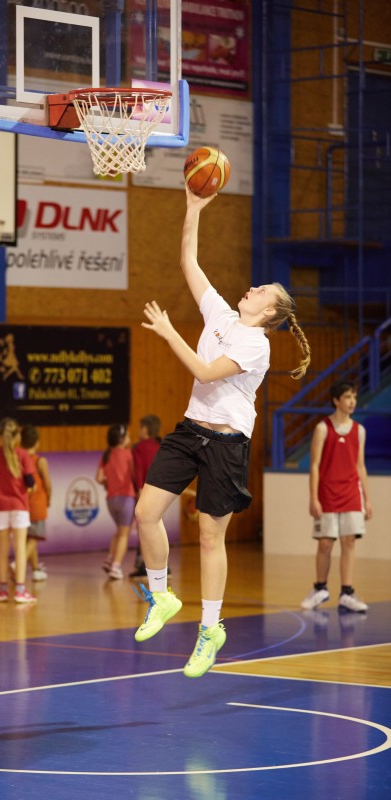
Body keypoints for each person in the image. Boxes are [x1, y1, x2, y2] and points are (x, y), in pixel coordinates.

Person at [133, 187, 311, 678]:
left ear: (270, 312)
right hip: (190, 430)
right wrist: (193, 208)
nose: (252, 288)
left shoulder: (257, 345)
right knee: (145, 513)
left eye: (262, 291)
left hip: (227, 444)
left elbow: (206, 372)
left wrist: (169, 333)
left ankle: (210, 629)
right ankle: (162, 596)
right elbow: (188, 261)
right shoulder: (220, 314)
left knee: (211, 537)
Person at [301, 379, 372, 613]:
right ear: (336, 400)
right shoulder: (323, 428)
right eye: (348, 397)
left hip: (351, 493)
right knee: (325, 543)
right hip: (327, 493)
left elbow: (360, 466)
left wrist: (367, 498)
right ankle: (320, 588)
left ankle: (347, 592)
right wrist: (313, 497)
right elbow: (314, 465)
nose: (352, 401)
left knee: (349, 541)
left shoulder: (359, 431)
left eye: (354, 397)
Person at [0, 417, 37, 603]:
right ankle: (20, 590)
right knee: (20, 547)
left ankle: (2, 590)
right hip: (19, 506)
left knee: (2, 549)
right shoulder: (23, 455)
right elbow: (30, 482)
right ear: (17, 436)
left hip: (0, 506)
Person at [96, 424, 136, 580]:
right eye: (128, 436)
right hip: (126, 498)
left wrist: (108, 483)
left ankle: (110, 559)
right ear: (122, 438)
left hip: (111, 500)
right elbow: (133, 474)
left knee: (119, 531)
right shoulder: (128, 454)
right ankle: (116, 566)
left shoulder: (106, 455)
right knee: (124, 534)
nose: (129, 438)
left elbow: (99, 478)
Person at [13, 424, 52, 582]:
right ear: (37, 442)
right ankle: (17, 564)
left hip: (22, 504)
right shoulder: (40, 461)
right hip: (36, 505)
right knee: (34, 538)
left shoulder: (17, 458)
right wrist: (49, 499)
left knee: (28, 538)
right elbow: (48, 484)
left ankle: (35, 570)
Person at [129, 415, 162, 578]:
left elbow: (139, 469)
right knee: (158, 528)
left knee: (145, 528)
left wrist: (139, 488)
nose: (139, 430)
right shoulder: (160, 446)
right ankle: (163, 565)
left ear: (146, 429)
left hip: (146, 491)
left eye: (141, 427)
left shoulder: (139, 447)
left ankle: (144, 565)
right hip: (161, 491)